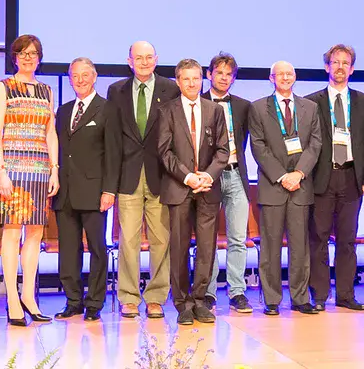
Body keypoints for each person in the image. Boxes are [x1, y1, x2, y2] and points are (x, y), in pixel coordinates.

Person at [0, 35, 58, 327]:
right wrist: (0, 170)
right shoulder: (4, 87)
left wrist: (55, 169)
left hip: (41, 170)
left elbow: (50, 133)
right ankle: (12, 301)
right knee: (12, 234)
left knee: (35, 235)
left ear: (39, 57)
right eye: (22, 53)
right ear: (14, 57)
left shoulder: (46, 90)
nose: (28, 58)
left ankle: (29, 297)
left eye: (33, 53)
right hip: (13, 171)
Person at [106, 41, 177, 319]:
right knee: (129, 240)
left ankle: (157, 296)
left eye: (149, 57)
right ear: (129, 61)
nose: (144, 62)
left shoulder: (170, 89)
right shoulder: (116, 91)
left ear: (156, 60)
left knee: (161, 239)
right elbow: (112, 139)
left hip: (161, 175)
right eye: (139, 58)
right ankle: (129, 297)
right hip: (128, 176)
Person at [158, 59, 230, 325]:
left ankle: (200, 300)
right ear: (178, 81)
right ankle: (182, 303)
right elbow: (164, 152)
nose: (192, 83)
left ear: (203, 79)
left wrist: (208, 176)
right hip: (179, 187)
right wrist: (188, 177)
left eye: (196, 78)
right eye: (186, 79)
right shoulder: (167, 111)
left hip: (208, 189)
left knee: (207, 248)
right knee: (178, 247)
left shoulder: (214, 110)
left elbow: (224, 150)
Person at [247, 61, 321, 315]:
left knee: (300, 247)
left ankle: (300, 298)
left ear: (295, 77)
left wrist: (298, 173)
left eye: (290, 74)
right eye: (280, 74)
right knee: (270, 247)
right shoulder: (257, 108)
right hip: (272, 187)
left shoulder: (310, 108)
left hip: (301, 186)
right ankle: (272, 299)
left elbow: (315, 144)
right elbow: (258, 147)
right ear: (271, 78)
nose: (286, 77)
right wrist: (282, 176)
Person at [306, 44, 364, 310]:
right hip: (322, 178)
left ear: (352, 69)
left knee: (348, 239)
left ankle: (346, 295)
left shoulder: (363, 101)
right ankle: (320, 296)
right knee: (319, 238)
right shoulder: (312, 101)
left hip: (351, 178)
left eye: (345, 63)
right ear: (327, 67)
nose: (340, 67)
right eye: (335, 62)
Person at [54, 58, 116, 322]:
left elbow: (114, 153)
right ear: (69, 79)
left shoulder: (108, 109)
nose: (80, 80)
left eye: (85, 75)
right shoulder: (64, 110)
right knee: (68, 250)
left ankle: (94, 302)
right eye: (75, 76)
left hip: (94, 191)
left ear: (95, 77)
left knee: (97, 249)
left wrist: (109, 190)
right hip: (64, 191)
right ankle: (73, 300)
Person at [202, 53, 255, 314]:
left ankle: (237, 292)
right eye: (219, 72)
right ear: (209, 74)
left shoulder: (244, 106)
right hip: (207, 179)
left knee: (237, 238)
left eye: (229, 74)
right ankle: (208, 292)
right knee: (207, 239)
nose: (223, 78)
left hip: (235, 175)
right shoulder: (196, 102)